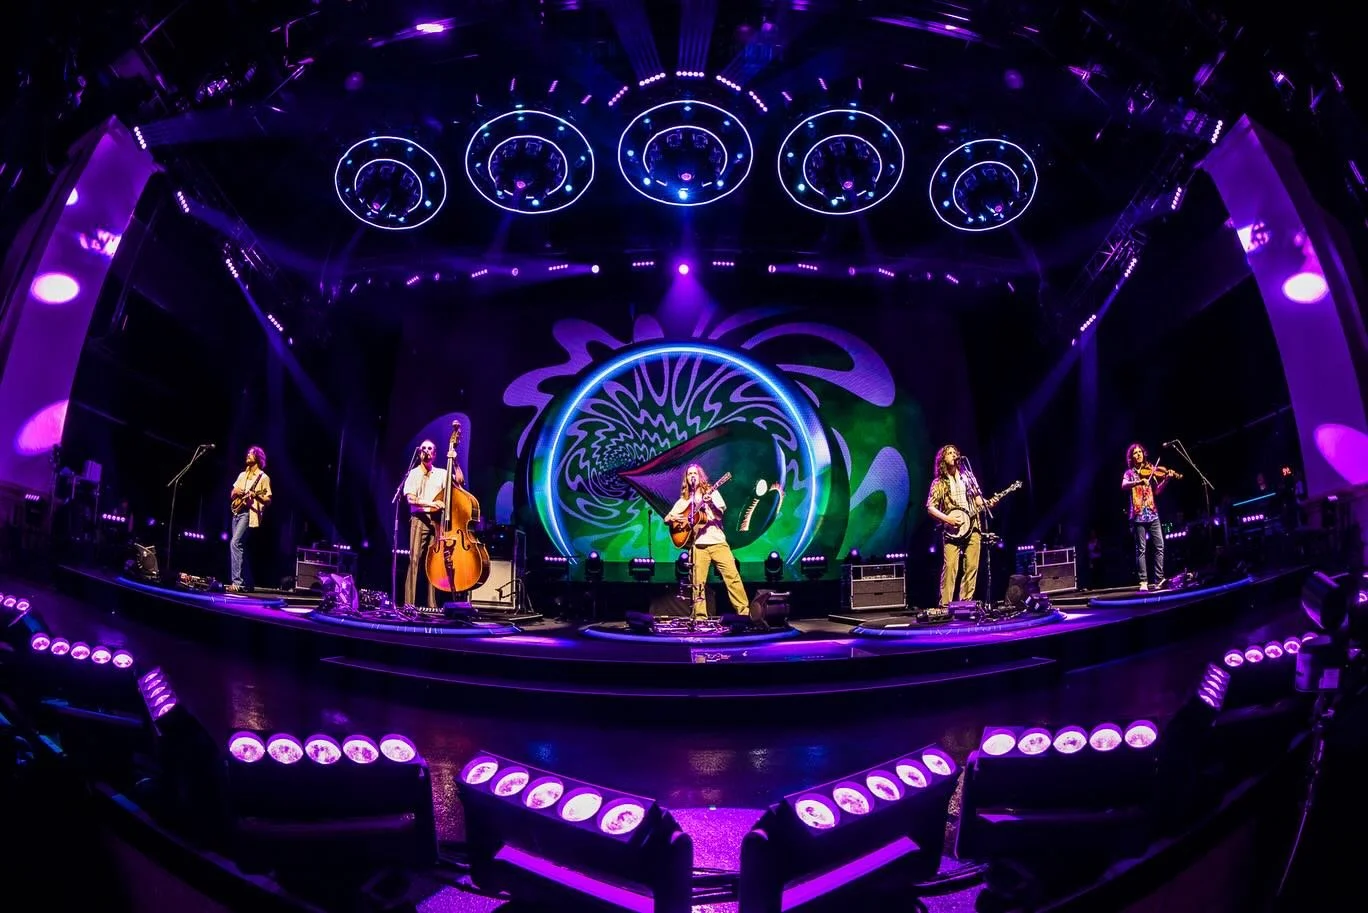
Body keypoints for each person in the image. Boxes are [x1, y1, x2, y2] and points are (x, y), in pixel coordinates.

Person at [663, 464, 749, 620]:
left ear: (700, 476)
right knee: (697, 584)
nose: (692, 476)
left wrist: (710, 504)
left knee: (732, 578)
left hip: (717, 543)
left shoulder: (712, 492)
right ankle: (700, 618)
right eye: (689, 474)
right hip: (697, 546)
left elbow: (719, 515)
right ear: (686, 478)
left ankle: (744, 613)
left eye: (695, 473)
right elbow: (667, 519)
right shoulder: (684, 501)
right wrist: (673, 518)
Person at [402, 440, 465, 607]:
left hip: (436, 521)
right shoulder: (413, 474)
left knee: (433, 564)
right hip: (419, 519)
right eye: (423, 448)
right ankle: (409, 605)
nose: (426, 451)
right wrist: (432, 504)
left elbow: (459, 482)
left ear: (435, 454)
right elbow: (411, 499)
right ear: (419, 453)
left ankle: (432, 605)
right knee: (414, 561)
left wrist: (455, 462)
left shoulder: (441, 473)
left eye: (430, 448)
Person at [925, 444, 986, 607]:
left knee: (971, 566)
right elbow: (930, 507)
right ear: (943, 459)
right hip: (952, 530)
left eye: (955, 452)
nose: (953, 455)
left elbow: (979, 501)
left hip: (973, 526)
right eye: (949, 453)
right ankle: (945, 606)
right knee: (951, 566)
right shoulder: (939, 482)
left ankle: (965, 604)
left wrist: (987, 503)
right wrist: (947, 519)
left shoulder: (968, 477)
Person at [1121, 443, 1170, 591]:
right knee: (1141, 549)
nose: (1138, 455)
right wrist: (1138, 481)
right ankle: (1143, 581)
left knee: (1159, 546)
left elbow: (1157, 491)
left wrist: (1166, 480)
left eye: (1140, 452)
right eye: (1135, 453)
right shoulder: (1129, 473)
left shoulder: (1150, 470)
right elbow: (1123, 485)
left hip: (1152, 513)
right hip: (1138, 515)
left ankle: (1159, 579)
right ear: (1131, 457)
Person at [228, 447, 272, 592]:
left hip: (248, 514)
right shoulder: (242, 475)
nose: (248, 455)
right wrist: (236, 491)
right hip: (237, 513)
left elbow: (268, 500)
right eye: (248, 453)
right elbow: (232, 494)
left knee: (235, 543)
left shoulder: (263, 477)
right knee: (240, 547)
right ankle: (249, 582)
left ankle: (238, 582)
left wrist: (256, 496)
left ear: (258, 457)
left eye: (251, 453)